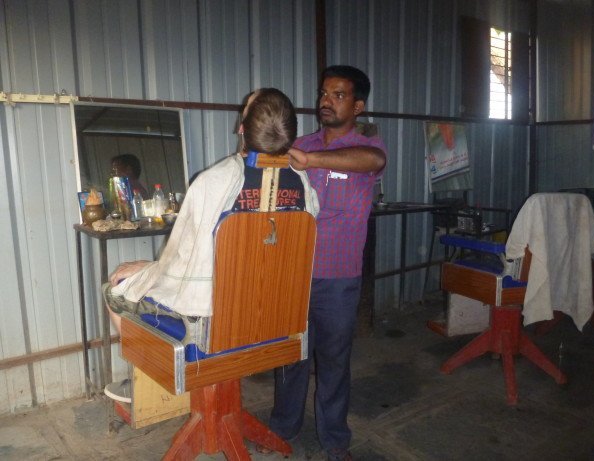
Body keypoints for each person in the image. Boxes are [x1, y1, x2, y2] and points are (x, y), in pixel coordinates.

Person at [102, 88, 319, 400]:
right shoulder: (303, 184)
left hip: (213, 331)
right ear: (290, 135)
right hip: (279, 327)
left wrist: (148, 268)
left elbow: (183, 261)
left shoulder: (213, 181)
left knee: (115, 288)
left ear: (242, 127)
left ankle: (151, 378)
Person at [266, 66, 386, 461]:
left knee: (334, 362)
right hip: (295, 273)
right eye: (323, 93)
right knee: (291, 358)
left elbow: (371, 160)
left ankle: (334, 440)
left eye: (337, 95)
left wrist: (311, 160)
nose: (326, 101)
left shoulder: (365, 145)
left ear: (358, 105)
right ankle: (283, 428)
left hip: (339, 278)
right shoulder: (300, 141)